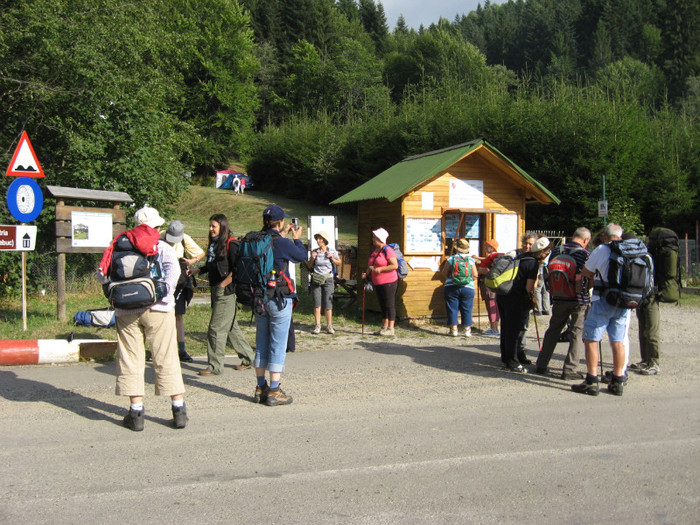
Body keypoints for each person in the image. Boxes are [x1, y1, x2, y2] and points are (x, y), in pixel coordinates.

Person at [96, 205, 187, 431]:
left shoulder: (117, 245)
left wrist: (114, 293)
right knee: (166, 357)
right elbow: (174, 270)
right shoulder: (161, 245)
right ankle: (178, 411)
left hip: (126, 311)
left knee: (130, 358)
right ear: (155, 226)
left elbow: (101, 275)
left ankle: (136, 414)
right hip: (159, 309)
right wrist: (163, 294)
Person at [253, 205, 307, 406]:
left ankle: (260, 387)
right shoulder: (283, 243)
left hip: (259, 298)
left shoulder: (257, 240)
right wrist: (297, 238)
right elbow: (302, 256)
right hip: (279, 298)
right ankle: (274, 391)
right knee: (278, 343)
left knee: (261, 343)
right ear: (281, 222)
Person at [191, 214, 255, 376]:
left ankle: (214, 366)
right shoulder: (215, 244)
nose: (210, 229)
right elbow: (213, 264)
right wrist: (198, 270)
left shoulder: (231, 244)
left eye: (214, 226)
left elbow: (237, 269)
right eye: (210, 226)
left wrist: (223, 285)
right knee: (231, 327)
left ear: (222, 227)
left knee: (216, 328)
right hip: (216, 289)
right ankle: (249, 358)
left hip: (226, 292)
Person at [572, 223, 630, 396]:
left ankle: (591, 380)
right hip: (624, 301)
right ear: (620, 236)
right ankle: (618, 380)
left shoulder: (602, 249)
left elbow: (587, 271)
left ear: (605, 236)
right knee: (618, 340)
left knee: (591, 339)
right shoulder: (629, 250)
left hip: (603, 298)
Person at [534, 227, 592, 378]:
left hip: (559, 297)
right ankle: (570, 369)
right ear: (585, 240)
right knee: (576, 333)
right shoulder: (584, 254)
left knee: (553, 330)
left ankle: (541, 364)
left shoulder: (557, 251)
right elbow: (587, 277)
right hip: (578, 299)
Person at [497, 236, 551, 372]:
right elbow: (529, 288)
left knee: (506, 328)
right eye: (546, 252)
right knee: (514, 331)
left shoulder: (521, 256)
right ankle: (513, 362)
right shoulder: (532, 263)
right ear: (542, 252)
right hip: (515, 299)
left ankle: (506, 358)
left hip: (503, 295)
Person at [162, 220, 205, 363]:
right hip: (162, 280)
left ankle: (181, 349)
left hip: (179, 279)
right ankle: (161, 349)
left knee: (178, 315)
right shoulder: (160, 236)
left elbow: (200, 253)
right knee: (160, 316)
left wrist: (191, 262)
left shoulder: (185, 239)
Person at [364, 227, 399, 336]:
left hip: (389, 282)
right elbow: (371, 264)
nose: (373, 239)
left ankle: (391, 328)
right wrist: (367, 273)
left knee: (389, 304)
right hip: (377, 282)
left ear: (380, 239)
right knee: (382, 304)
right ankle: (384, 327)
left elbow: (394, 265)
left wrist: (381, 269)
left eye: (374, 238)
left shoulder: (388, 250)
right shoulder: (375, 250)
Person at [441, 239, 478, 337]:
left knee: (452, 308)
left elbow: (444, 272)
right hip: (468, 288)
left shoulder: (451, 259)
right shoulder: (470, 260)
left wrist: (452, 278)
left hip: (451, 287)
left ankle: (454, 330)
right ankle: (467, 330)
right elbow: (475, 275)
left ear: (457, 248)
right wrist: (468, 280)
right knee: (467, 308)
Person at [307, 230, 341, 334]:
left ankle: (329, 325)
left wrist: (332, 258)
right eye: (317, 238)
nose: (318, 240)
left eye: (320, 238)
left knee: (328, 303)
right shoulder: (315, 251)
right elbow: (309, 266)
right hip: (316, 279)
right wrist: (312, 259)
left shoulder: (331, 251)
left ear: (325, 240)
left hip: (328, 279)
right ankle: (317, 325)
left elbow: (339, 263)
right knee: (317, 304)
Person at [476, 239, 501, 335]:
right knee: (494, 306)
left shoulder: (492, 257)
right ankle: (494, 327)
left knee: (491, 306)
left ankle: (494, 329)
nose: (486, 247)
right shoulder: (497, 257)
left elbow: (487, 270)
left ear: (492, 247)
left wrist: (479, 271)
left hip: (488, 285)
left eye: (488, 246)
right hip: (495, 285)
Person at [533, 233, 551, 315]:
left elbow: (541, 261)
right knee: (546, 290)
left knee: (537, 290)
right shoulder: (549, 250)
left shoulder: (542, 250)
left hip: (541, 271)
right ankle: (546, 308)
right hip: (547, 272)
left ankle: (538, 309)